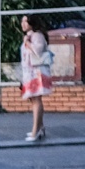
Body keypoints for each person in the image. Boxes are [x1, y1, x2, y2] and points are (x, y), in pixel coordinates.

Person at [19, 14, 53, 142]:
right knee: (33, 100)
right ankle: (40, 126)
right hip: (30, 72)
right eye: (22, 22)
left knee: (36, 100)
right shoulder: (30, 35)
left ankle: (35, 130)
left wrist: (27, 42)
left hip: (37, 72)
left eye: (25, 22)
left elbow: (38, 51)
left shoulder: (36, 35)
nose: (23, 24)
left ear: (32, 23)